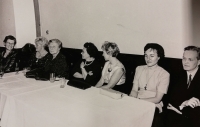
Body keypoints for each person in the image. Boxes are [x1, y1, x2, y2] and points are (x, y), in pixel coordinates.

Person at [165, 46, 200, 127]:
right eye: (184, 58)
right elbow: (171, 99)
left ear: (198, 62)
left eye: (190, 59)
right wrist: (184, 103)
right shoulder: (176, 73)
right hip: (177, 113)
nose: (185, 62)